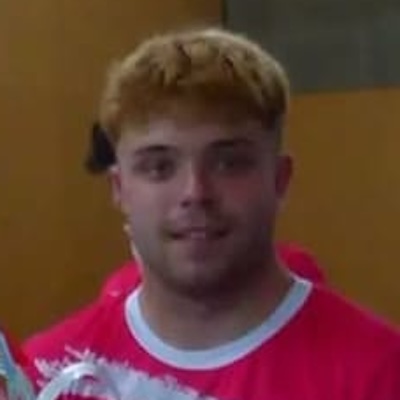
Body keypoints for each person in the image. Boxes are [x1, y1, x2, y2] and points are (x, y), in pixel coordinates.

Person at [24, 28, 400, 399]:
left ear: (280, 179)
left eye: (228, 163)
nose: (195, 193)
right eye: (159, 167)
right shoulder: (45, 375)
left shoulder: (381, 372)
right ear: (119, 188)